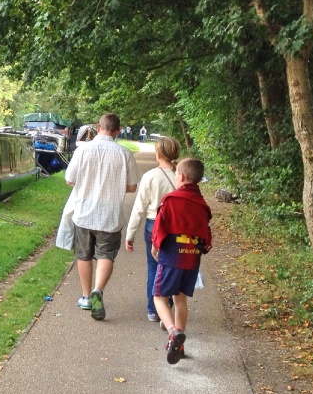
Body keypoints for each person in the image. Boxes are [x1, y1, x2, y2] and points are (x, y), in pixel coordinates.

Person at [63, 113, 139, 320]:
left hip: (84, 213)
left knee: (84, 254)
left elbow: (69, 180)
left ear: (98, 127)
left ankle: (86, 297)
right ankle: (99, 290)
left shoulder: (82, 150)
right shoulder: (125, 154)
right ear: (118, 131)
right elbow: (132, 187)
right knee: (106, 254)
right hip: (110, 216)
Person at [151, 157, 212, 364]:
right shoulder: (202, 205)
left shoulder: (171, 200)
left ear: (182, 177)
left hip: (172, 256)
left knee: (159, 297)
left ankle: (173, 331)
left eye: (177, 174)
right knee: (180, 299)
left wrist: (155, 246)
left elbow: (159, 228)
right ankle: (180, 346)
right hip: (192, 260)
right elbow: (205, 235)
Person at [124, 136, 182, 322]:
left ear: (158, 154)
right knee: (173, 266)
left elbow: (139, 208)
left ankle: (154, 309)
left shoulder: (150, 176)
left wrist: (130, 234)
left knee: (153, 267)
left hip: (154, 225)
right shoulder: (183, 176)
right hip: (177, 227)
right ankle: (169, 305)